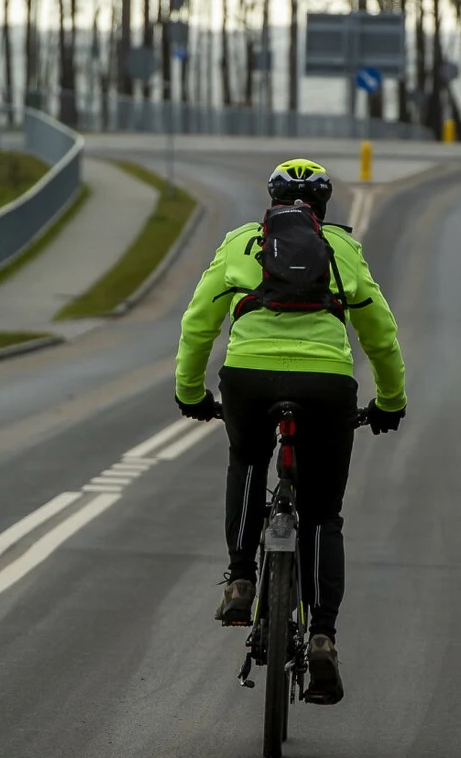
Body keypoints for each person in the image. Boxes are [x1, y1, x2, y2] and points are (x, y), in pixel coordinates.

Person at [174, 159, 407, 706]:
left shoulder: (240, 244)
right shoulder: (343, 250)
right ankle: (322, 635)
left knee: (249, 459)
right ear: (321, 209)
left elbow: (197, 323)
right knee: (324, 511)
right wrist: (390, 402)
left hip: (249, 378)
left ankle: (240, 578)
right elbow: (381, 334)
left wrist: (190, 392)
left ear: (271, 202)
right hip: (326, 385)